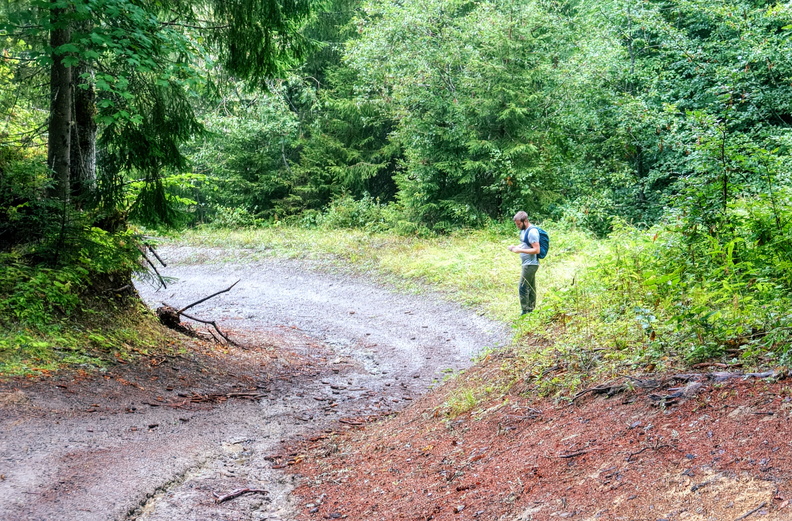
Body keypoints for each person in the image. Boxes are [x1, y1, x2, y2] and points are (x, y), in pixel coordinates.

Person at [507, 211, 540, 315]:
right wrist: (515, 247)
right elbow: (525, 244)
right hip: (526, 263)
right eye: (516, 224)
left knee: (523, 286)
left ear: (525, 221)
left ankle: (525, 311)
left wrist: (520, 251)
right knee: (530, 286)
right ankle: (531, 310)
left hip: (531, 264)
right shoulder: (523, 231)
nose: (517, 226)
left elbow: (536, 250)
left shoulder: (532, 232)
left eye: (519, 224)